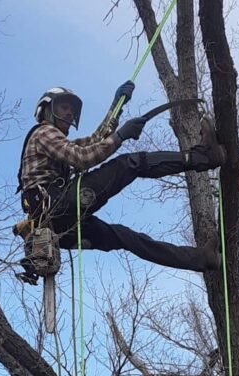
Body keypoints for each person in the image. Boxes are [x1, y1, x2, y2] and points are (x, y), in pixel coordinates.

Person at [17, 82, 226, 274]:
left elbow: (95, 141)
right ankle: (203, 156)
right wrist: (121, 136)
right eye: (64, 108)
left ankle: (201, 258)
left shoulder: (56, 142)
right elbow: (83, 158)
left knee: (124, 237)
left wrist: (117, 107)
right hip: (57, 206)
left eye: (72, 111)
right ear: (47, 109)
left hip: (59, 225)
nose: (70, 114)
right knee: (129, 164)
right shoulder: (44, 133)